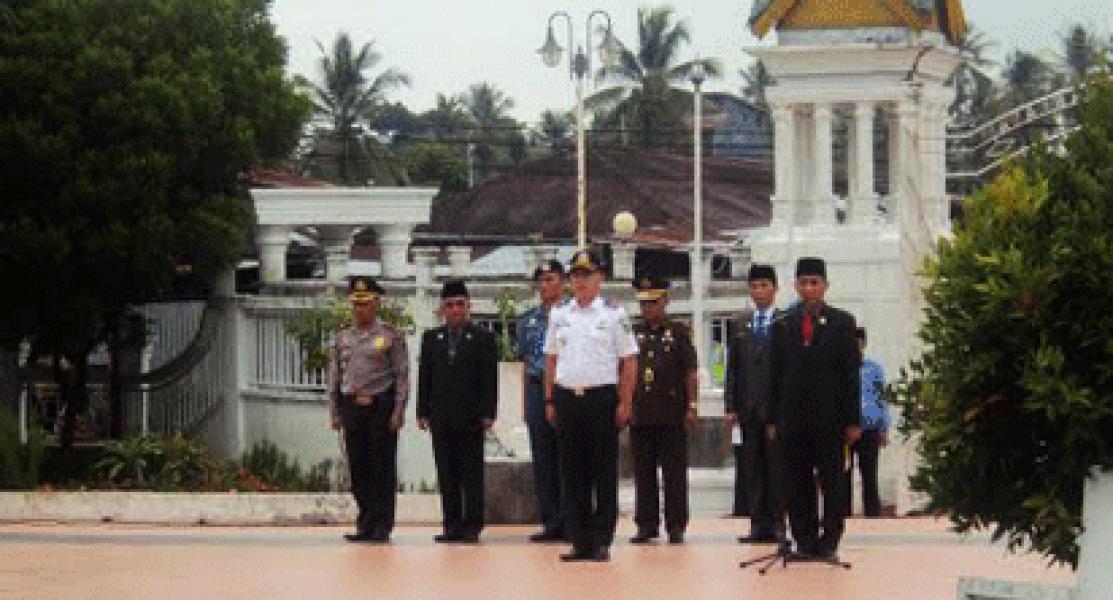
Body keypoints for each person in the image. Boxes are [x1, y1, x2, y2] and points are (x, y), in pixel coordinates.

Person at [544, 249, 638, 562]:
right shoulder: (560, 314)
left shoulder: (613, 314)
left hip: (601, 399)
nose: (580, 281)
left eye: (586, 275)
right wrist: (550, 398)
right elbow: (551, 359)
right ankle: (579, 539)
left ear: (600, 278)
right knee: (572, 474)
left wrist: (625, 401)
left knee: (602, 472)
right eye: (575, 275)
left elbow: (629, 361)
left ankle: (601, 540)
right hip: (568, 397)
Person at [770, 257, 860, 559]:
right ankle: (804, 538)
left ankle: (830, 538)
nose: (809, 289)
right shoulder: (783, 324)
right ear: (795, 286)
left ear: (825, 286)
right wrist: (772, 417)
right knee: (797, 481)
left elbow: (850, 375)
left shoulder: (842, 322)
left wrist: (853, 420)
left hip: (830, 418)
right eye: (803, 283)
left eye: (814, 283)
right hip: (793, 418)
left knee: (832, 480)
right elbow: (774, 374)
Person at [327, 276, 409, 543]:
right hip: (352, 407)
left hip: (379, 407)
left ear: (376, 304)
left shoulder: (389, 336)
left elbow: (401, 375)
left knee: (381, 469)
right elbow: (335, 377)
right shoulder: (343, 337)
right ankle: (365, 522)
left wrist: (398, 410)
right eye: (356, 304)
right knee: (358, 468)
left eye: (365, 304)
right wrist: (334, 411)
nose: (360, 309)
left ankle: (382, 525)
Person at [417, 280, 498, 543]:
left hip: (471, 417)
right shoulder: (431, 339)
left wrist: (488, 413)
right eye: (449, 305)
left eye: (459, 305)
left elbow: (489, 379)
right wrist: (422, 411)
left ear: (468, 306)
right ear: (442, 309)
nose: (454, 310)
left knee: (471, 474)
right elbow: (424, 377)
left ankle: (472, 525)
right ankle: (451, 525)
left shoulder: (483, 338)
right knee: (447, 473)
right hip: (441, 417)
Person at [628, 274, 698, 545]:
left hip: (671, 412)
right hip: (641, 412)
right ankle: (646, 524)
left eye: (653, 303)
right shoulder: (634, 333)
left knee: (674, 473)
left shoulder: (678, 333)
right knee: (643, 473)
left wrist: (692, 405)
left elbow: (690, 372)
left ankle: (676, 524)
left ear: (665, 302)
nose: (648, 309)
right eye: (643, 304)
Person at [725, 263, 785, 543]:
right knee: (752, 468)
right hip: (748, 409)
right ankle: (757, 523)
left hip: (775, 411)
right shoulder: (740, 324)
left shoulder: (785, 322)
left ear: (775, 288)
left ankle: (777, 523)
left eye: (764, 285)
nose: (759, 291)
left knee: (776, 468)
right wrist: (731, 406)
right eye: (754, 286)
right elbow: (733, 369)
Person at [516, 259, 568, 542]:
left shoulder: (572, 315)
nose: (545, 285)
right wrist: (526, 402)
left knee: (567, 457)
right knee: (543, 458)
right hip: (537, 388)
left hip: (565, 388)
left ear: (562, 282)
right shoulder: (527, 320)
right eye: (541, 280)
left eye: (550, 279)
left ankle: (570, 520)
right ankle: (550, 521)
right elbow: (526, 362)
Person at [848, 327, 890, 517]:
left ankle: (872, 514)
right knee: (842, 475)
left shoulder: (874, 369)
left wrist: (884, 427)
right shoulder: (840, 368)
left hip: (870, 429)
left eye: (859, 343)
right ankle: (842, 515)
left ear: (863, 344)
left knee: (869, 475)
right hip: (846, 430)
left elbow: (883, 398)